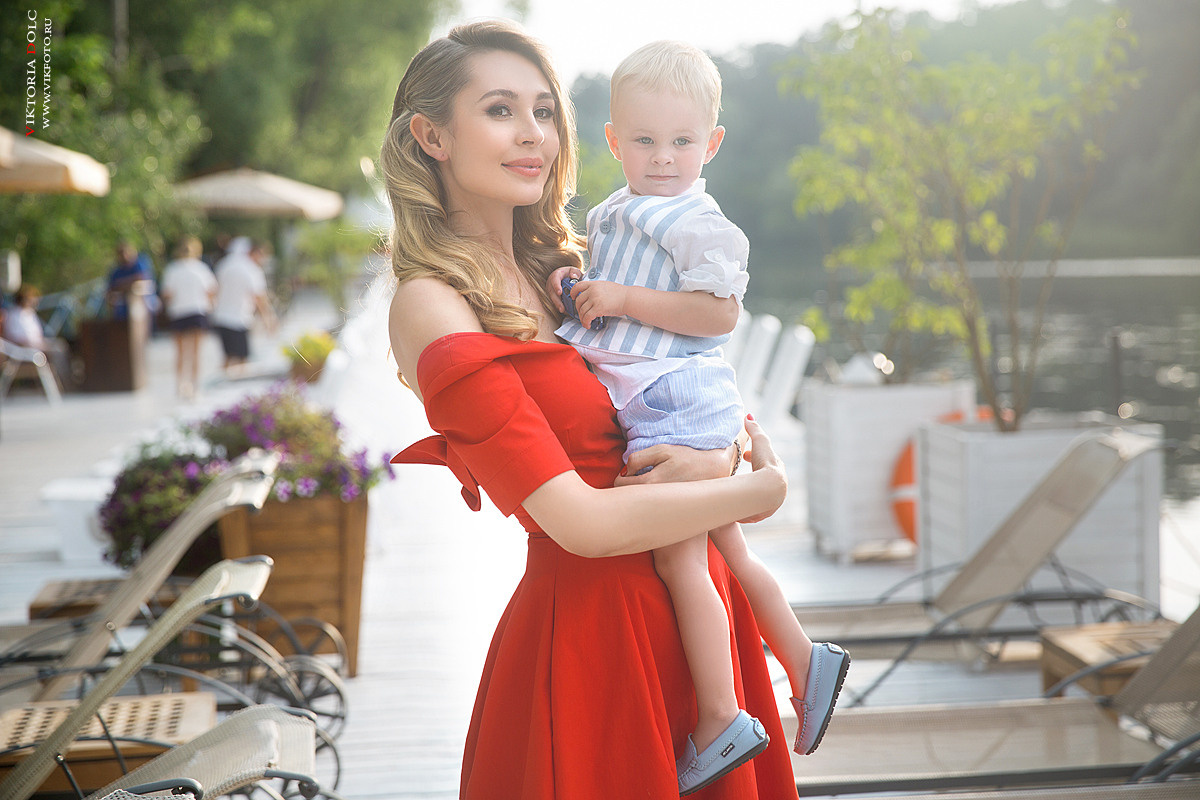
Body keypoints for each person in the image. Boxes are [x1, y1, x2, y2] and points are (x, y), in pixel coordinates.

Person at [383, 20, 796, 799]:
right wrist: (758, 492)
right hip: (594, 642)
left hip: (695, 610)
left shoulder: (563, 272)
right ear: (432, 135)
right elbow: (579, 520)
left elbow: (680, 399)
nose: (532, 133)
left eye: (544, 111)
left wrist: (714, 459)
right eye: (500, 110)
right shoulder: (433, 305)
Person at [546, 40, 850, 790]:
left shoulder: (695, 219)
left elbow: (717, 315)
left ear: (710, 144)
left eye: (682, 141)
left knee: (683, 560)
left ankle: (719, 718)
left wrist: (619, 301)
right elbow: (613, 281)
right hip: (669, 396)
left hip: (678, 400)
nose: (662, 157)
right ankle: (807, 661)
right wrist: (580, 285)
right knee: (732, 555)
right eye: (643, 140)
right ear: (613, 142)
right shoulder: (622, 209)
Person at [160, 236, 217, 400]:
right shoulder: (201, 269)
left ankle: (180, 385)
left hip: (178, 313)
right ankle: (195, 385)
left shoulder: (172, 269)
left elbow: (167, 294)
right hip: (197, 312)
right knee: (196, 353)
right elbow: (212, 290)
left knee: (180, 353)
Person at [211, 236, 276, 374]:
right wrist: (269, 320)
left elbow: (214, 290)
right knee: (242, 361)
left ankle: (222, 387)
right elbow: (259, 297)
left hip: (221, 317)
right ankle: (235, 392)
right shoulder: (250, 269)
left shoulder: (223, 265)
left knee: (227, 358)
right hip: (239, 318)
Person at [1, 284, 72, 386]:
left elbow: (38, 334)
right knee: (57, 351)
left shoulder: (30, 314)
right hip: (23, 348)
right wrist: (34, 344)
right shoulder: (13, 315)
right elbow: (15, 337)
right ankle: (66, 384)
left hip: (37, 344)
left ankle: (65, 382)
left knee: (61, 345)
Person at [106, 240, 160, 321]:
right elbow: (112, 287)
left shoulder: (140, 263)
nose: (124, 256)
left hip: (145, 302)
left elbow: (140, 278)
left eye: (125, 252)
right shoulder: (116, 271)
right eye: (121, 253)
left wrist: (123, 285)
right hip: (122, 305)